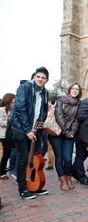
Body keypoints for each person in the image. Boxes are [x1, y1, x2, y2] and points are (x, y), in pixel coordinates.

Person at [12, 67, 50, 199]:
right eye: (38, 76)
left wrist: (39, 125)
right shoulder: (25, 88)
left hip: (35, 130)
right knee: (23, 158)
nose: (40, 79)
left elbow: (43, 111)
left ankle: (34, 186)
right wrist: (28, 130)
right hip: (21, 129)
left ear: (47, 80)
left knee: (34, 158)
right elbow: (21, 110)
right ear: (34, 76)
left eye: (43, 78)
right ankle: (22, 188)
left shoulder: (45, 92)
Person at [48, 83, 82, 191]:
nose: (75, 90)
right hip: (56, 132)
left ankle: (69, 179)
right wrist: (65, 130)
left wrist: (72, 131)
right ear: (69, 89)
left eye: (77, 89)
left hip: (70, 133)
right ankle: (63, 181)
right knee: (59, 157)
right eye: (73, 88)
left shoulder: (79, 104)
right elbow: (59, 115)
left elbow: (77, 119)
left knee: (68, 158)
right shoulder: (61, 100)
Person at [0, 93, 15, 179]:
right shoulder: (2, 110)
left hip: (11, 134)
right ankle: (2, 172)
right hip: (3, 135)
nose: (13, 104)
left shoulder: (13, 110)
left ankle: (4, 169)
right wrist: (10, 122)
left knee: (8, 153)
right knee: (5, 153)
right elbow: (0, 122)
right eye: (12, 102)